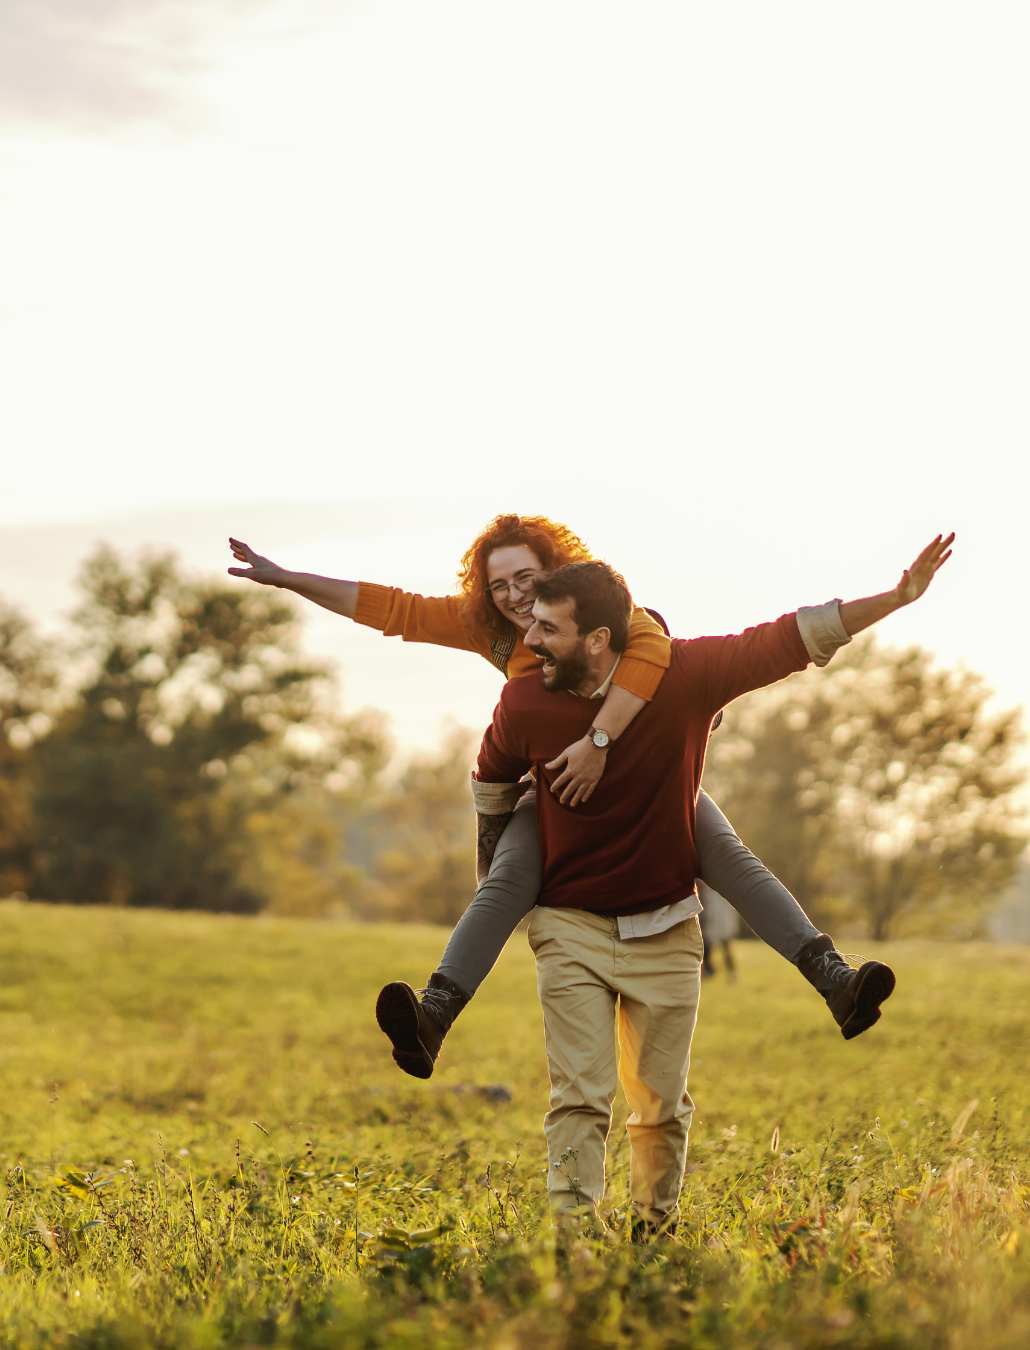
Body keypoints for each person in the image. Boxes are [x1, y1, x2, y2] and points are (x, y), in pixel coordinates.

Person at [227, 517, 916, 1071]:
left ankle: (834, 979)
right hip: (552, 790)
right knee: (505, 883)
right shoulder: (491, 629)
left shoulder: (613, 615)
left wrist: (599, 742)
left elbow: (711, 650)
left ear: (558, 573)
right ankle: (433, 1013)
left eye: (527, 578)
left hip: (647, 779)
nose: (515, 597)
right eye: (499, 585)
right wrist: (288, 578)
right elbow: (390, 609)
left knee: (731, 858)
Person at [468, 540, 950, 1233]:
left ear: (599, 639)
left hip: (665, 924)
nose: (529, 638)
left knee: (661, 1104)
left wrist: (895, 599)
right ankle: (573, 1239)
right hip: (569, 921)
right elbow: (490, 784)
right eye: (531, 622)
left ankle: (653, 1229)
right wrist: (497, 878)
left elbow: (792, 637)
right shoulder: (524, 700)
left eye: (547, 628)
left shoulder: (687, 673)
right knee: (579, 1096)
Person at [697, 881, 738, 980]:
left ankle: (732, 973)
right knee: (707, 949)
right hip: (711, 922)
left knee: (726, 947)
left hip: (722, 922)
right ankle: (708, 971)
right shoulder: (705, 892)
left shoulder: (720, 892)